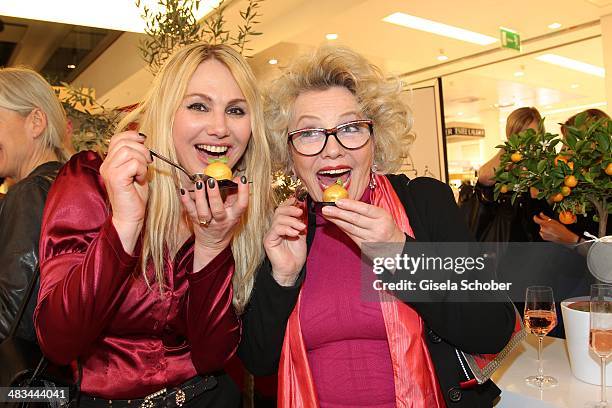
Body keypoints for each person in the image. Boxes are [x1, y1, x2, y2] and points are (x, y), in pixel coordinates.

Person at [239, 46, 516, 407]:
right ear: (287, 154)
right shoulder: (282, 228)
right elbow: (257, 361)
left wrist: (401, 253)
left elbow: (493, 329)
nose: (332, 149)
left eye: (350, 128)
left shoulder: (423, 203)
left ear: (375, 140)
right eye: (309, 133)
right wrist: (282, 278)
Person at [34, 43, 272, 406]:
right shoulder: (92, 182)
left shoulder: (238, 211)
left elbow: (212, 357)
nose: (220, 128)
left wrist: (211, 246)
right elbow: (58, 340)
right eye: (198, 106)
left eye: (236, 110)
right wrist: (125, 225)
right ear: (166, 112)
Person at [0, 67, 68, 342]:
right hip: (55, 380)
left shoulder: (31, 192)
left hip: (22, 383)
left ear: (36, 122)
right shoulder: (66, 184)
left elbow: (9, 319)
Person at [535, 108, 611, 244]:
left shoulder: (605, 188)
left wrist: (571, 239)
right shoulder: (573, 183)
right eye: (564, 143)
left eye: (569, 143)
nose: (563, 151)